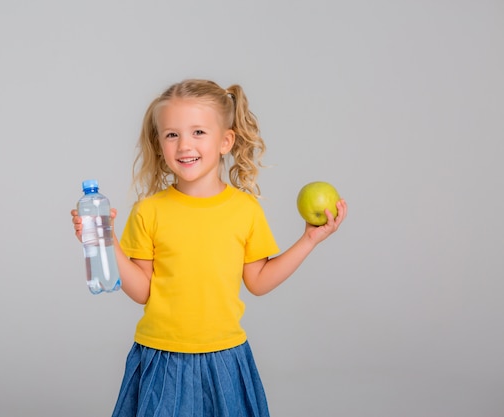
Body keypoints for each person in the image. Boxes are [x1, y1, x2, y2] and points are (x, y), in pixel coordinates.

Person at [71, 79, 347, 416]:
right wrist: (106, 239)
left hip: (225, 358)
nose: (184, 145)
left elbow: (258, 281)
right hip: (162, 357)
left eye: (198, 132)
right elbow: (142, 290)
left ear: (225, 141)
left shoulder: (245, 210)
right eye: (172, 134)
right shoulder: (149, 211)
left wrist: (309, 240)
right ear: (160, 144)